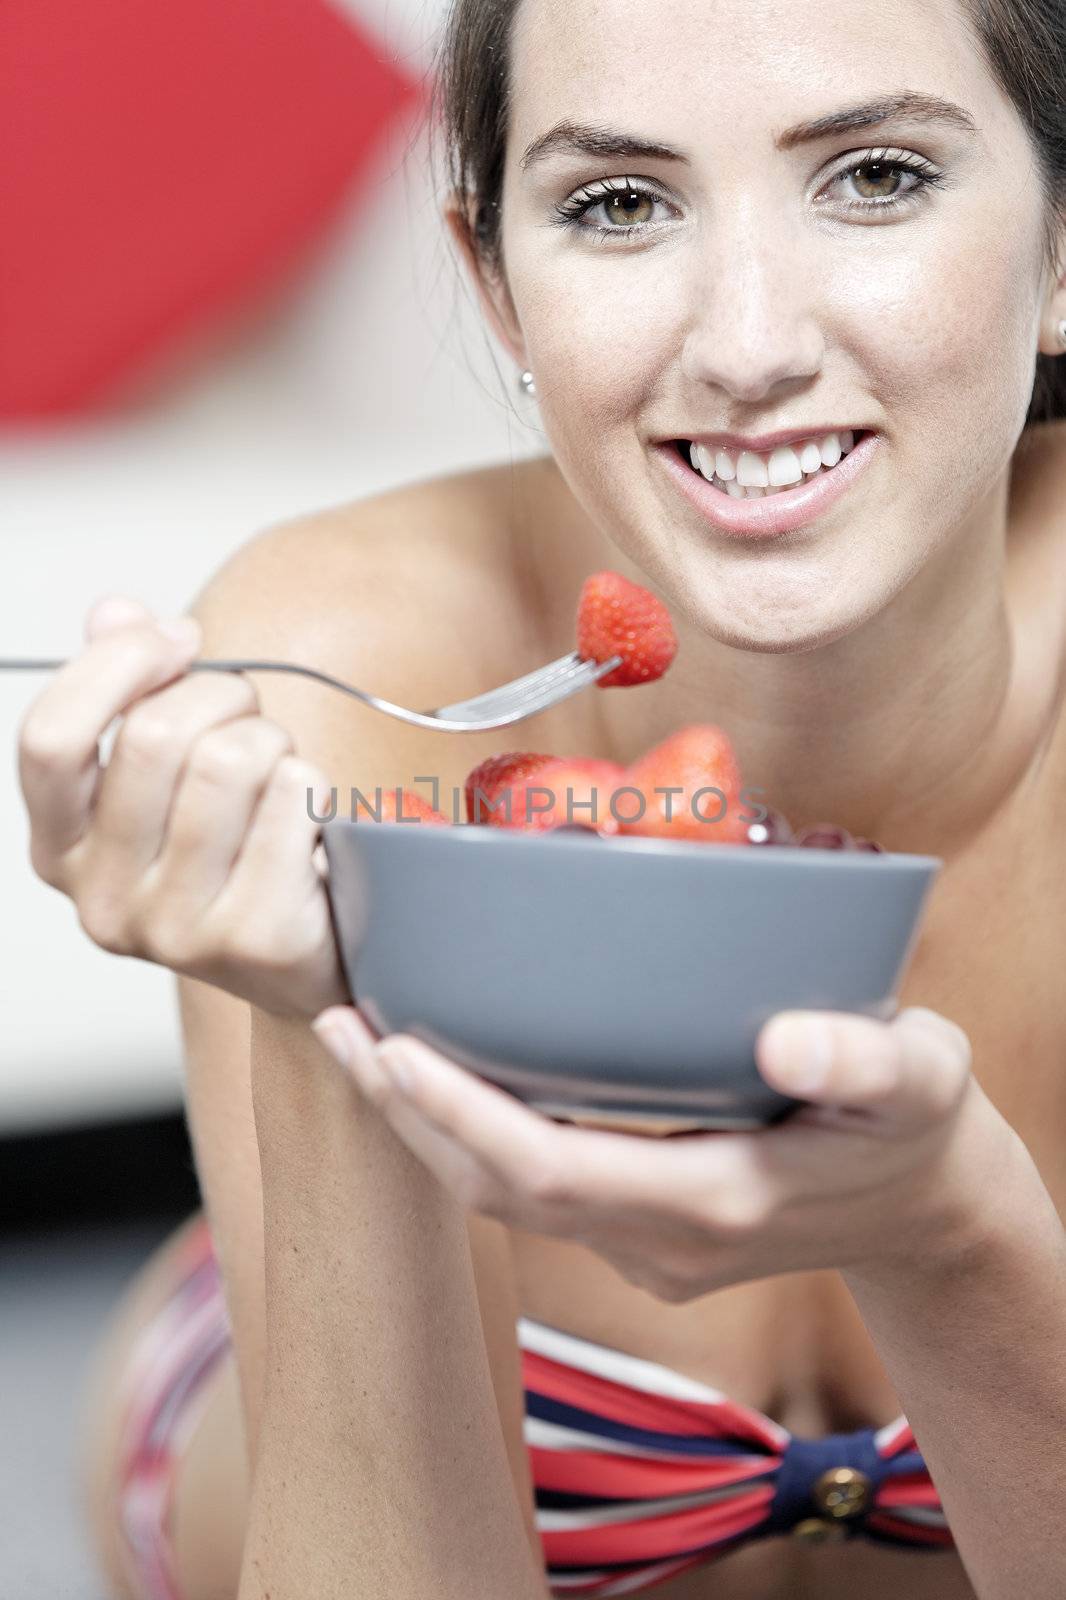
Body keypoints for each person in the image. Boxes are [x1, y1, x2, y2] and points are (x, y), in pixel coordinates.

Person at [16, 0, 1066, 1596]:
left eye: (872, 176)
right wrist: (323, 1017)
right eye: (617, 205)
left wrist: (956, 1241)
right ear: (498, 288)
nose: (745, 343)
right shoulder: (338, 655)